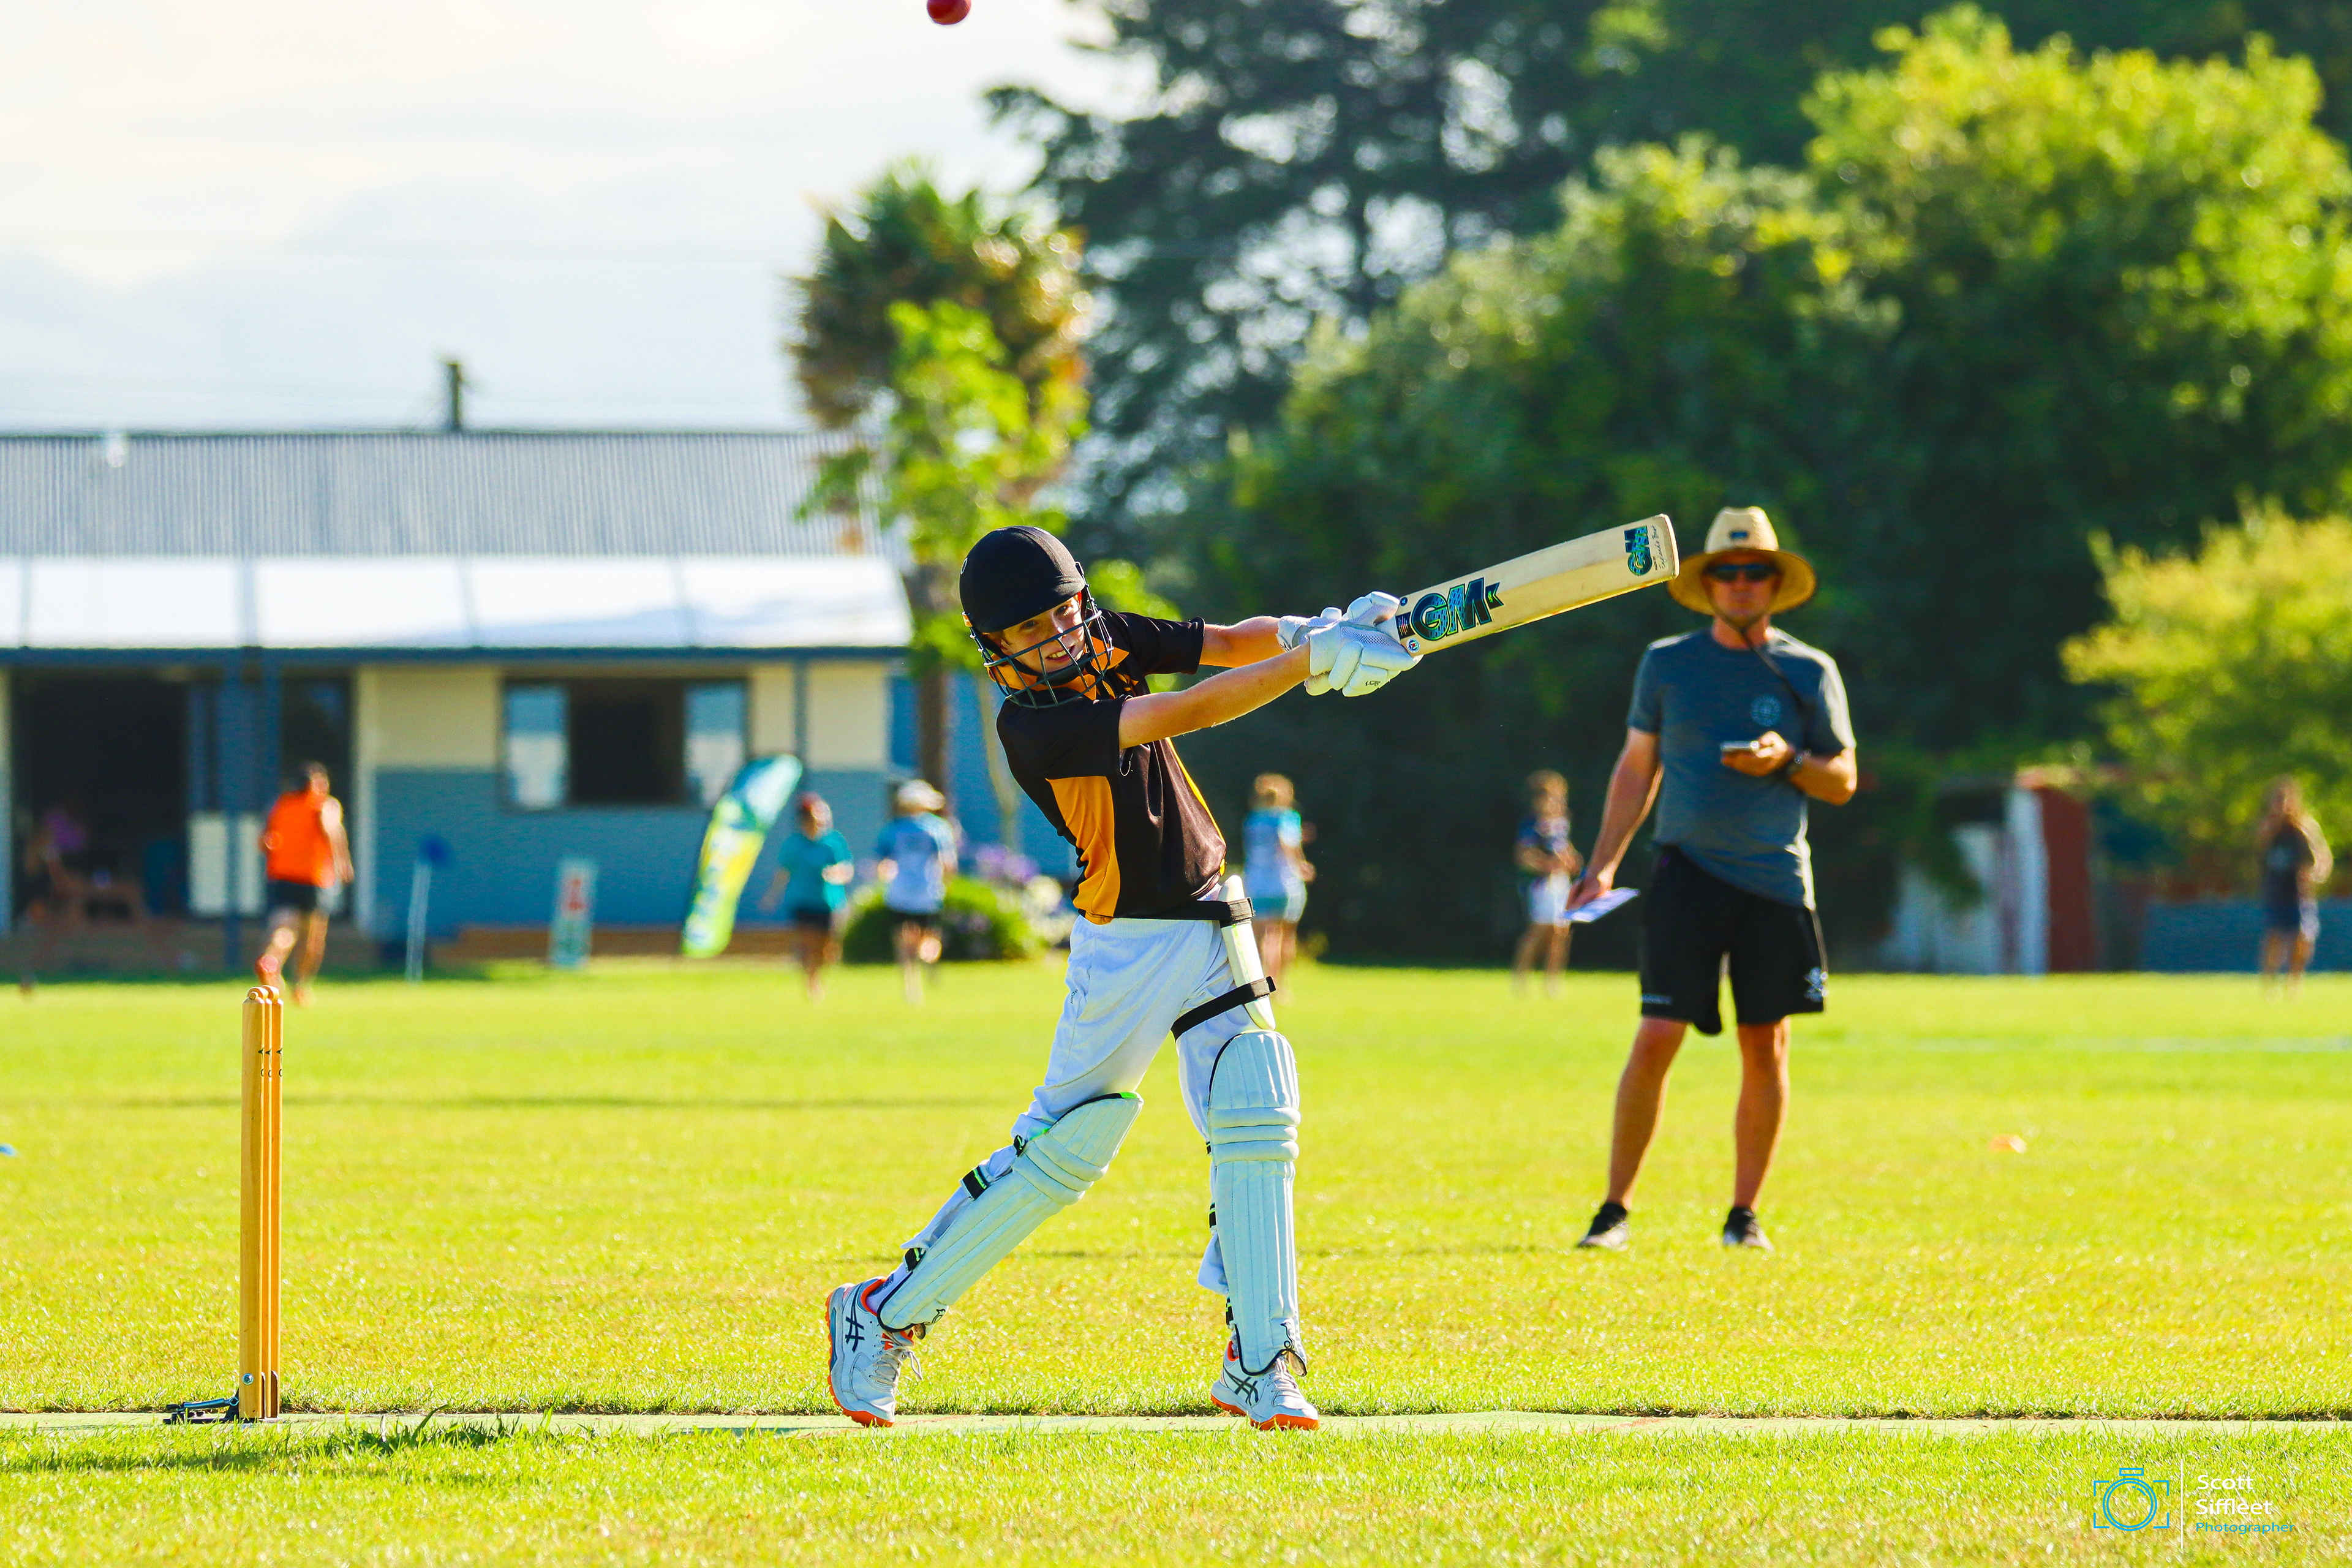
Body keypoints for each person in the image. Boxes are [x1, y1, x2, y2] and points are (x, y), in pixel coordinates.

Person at [824, 526, 1415, 1431]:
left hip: (1213, 910)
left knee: (1257, 1111)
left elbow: (1227, 643)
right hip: (1128, 941)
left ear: (1081, 602)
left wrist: (1315, 628)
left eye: (1062, 614)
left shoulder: (1106, 635)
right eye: (1029, 631)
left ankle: (1261, 1361)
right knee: (1063, 1152)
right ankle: (882, 1314)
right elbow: (1190, 711)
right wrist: (1313, 663)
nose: (1056, 638)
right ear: (996, 647)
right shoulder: (1031, 728)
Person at [1565, 508, 1856, 1254]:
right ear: (1708, 583)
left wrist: (1786, 760)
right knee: (1657, 1033)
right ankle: (1613, 1211)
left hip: (1775, 880)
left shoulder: (1808, 670)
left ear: (1775, 583)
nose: (1740, 583)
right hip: (1686, 872)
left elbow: (1843, 779)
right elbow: (1637, 768)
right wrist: (1601, 863)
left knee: (1765, 1044)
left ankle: (1743, 1215)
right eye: (1727, 572)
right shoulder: (1667, 663)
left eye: (1754, 571)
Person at [255, 763, 354, 1005]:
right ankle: (301, 987)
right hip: (314, 878)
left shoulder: (281, 805)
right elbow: (331, 832)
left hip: (282, 875)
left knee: (284, 927)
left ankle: (271, 960)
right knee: (312, 938)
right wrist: (343, 863)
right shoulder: (324, 805)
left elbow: (264, 841)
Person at [759, 793, 855, 1001]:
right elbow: (784, 871)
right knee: (808, 944)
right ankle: (812, 985)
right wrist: (772, 895)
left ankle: (816, 974)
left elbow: (847, 869)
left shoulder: (833, 841)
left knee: (829, 950)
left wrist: (836, 874)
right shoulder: (794, 843)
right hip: (802, 900)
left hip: (830, 902)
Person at [874, 781, 959, 1003]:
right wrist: (947, 884)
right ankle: (925, 965)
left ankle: (911, 987)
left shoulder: (893, 829)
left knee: (903, 942)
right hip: (928, 893)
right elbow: (948, 864)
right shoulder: (938, 828)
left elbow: (883, 862)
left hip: (901, 892)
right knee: (928, 939)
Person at [2257, 777, 2332, 994]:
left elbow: (2322, 857)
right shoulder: (2270, 827)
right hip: (2276, 892)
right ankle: (2270, 982)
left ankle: (2294, 981)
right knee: (2275, 937)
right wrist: (2274, 824)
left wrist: (2316, 875)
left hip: (2300, 893)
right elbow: (2260, 846)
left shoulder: (2305, 827)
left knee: (2304, 938)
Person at [1511, 771, 1583, 998]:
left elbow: (1564, 848)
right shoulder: (1532, 825)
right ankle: (1520, 978)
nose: (1558, 802)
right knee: (1539, 930)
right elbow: (1524, 856)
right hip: (1540, 885)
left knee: (1561, 932)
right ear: (1538, 800)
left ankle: (1552, 981)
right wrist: (1546, 865)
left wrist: (1572, 860)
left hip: (1561, 882)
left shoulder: (1560, 823)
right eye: (1553, 797)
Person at [1241, 774, 1313, 985]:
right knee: (1284, 936)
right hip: (1284, 883)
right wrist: (1301, 865)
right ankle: (1280, 985)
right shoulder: (1287, 817)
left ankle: (1260, 982)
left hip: (1256, 883)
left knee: (1261, 938)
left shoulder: (1252, 820)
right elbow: (1286, 843)